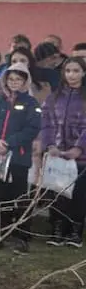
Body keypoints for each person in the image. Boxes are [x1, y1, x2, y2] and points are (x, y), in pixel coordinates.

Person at [0, 62, 42, 253]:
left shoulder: (31, 104)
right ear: (5, 80)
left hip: (18, 158)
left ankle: (22, 236)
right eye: (11, 79)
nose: (14, 82)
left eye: (18, 79)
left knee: (19, 197)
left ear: (25, 81)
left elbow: (32, 129)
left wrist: (9, 142)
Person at [40, 56, 86, 247]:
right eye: (68, 71)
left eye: (76, 71)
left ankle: (75, 231)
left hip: (80, 157)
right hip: (57, 155)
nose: (72, 75)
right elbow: (46, 123)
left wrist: (79, 147)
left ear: (83, 72)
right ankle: (57, 229)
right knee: (57, 192)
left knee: (78, 194)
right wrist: (50, 145)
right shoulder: (54, 97)